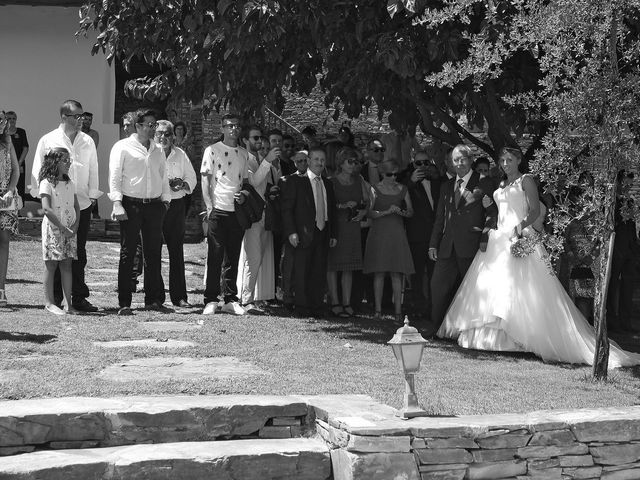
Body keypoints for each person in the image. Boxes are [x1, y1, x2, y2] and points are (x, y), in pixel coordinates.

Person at [437, 147, 640, 368]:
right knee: (495, 286)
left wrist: (519, 229)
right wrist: (489, 207)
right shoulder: (502, 184)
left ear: (518, 160)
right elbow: (500, 210)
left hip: (521, 235)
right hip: (499, 239)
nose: (505, 164)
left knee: (524, 287)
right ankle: (489, 336)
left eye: (510, 160)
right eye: (502, 160)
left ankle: (526, 336)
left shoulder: (527, 180)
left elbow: (533, 211)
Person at [31, 100, 101, 313]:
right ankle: (55, 299)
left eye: (82, 116)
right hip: (55, 205)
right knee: (54, 256)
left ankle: (78, 298)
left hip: (80, 203)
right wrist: (42, 197)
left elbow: (93, 168)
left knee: (77, 253)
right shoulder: (48, 139)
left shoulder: (87, 140)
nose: (81, 120)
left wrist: (93, 195)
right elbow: (37, 169)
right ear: (64, 117)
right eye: (76, 116)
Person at [200, 113, 273, 315]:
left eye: (236, 126)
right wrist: (208, 205)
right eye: (229, 125)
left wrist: (243, 197)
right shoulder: (212, 150)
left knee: (233, 256)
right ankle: (211, 299)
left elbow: (245, 183)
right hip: (218, 209)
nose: (233, 129)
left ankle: (231, 298)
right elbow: (205, 179)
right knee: (215, 255)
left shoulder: (243, 154)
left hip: (236, 211)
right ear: (222, 128)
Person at [428, 144, 498, 332]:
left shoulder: (485, 183)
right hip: (447, 246)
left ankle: (469, 331)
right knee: (438, 287)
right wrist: (433, 244)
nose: (459, 163)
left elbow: (492, 213)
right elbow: (440, 218)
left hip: (473, 245)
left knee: (472, 291)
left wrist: (484, 238)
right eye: (455, 160)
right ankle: (437, 330)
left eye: (463, 159)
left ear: (471, 160)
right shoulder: (446, 186)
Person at [109, 108, 171, 315]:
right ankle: (124, 301)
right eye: (150, 125)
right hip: (131, 204)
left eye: (155, 125)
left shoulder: (158, 149)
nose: (154, 129)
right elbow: (115, 176)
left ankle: (152, 299)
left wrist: (166, 200)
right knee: (128, 252)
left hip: (154, 205)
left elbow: (163, 175)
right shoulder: (123, 147)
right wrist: (117, 202)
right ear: (138, 126)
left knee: (153, 253)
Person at [281, 146, 337, 317]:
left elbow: (331, 210)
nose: (320, 163)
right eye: (316, 159)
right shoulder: (296, 181)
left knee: (319, 271)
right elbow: (287, 209)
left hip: (323, 231)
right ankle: (301, 307)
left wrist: (333, 233)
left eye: (322, 160)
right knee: (301, 271)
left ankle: (317, 306)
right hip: (303, 233)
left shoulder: (327, 183)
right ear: (309, 161)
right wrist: (291, 232)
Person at [236, 126, 281, 313]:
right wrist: (268, 161)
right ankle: (246, 299)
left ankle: (250, 297)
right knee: (253, 258)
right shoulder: (243, 159)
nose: (259, 141)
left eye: (260, 137)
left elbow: (262, 186)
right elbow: (253, 182)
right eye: (255, 138)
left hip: (263, 213)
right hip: (250, 215)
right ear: (245, 140)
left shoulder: (257, 159)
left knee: (259, 257)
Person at [363, 160, 415, 321]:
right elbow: (369, 212)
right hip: (379, 233)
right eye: (389, 174)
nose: (393, 177)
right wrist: (385, 212)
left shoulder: (403, 189)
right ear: (382, 174)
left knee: (396, 272)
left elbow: (411, 211)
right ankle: (378, 310)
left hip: (397, 233)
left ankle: (398, 311)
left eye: (395, 174)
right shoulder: (375, 189)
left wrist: (402, 212)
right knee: (379, 272)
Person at [156, 120, 197, 307]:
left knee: (176, 251)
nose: (163, 137)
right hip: (155, 205)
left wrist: (182, 183)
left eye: (167, 134)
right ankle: (155, 297)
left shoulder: (180, 154)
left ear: (173, 137)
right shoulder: (150, 153)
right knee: (153, 251)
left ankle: (179, 297)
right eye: (159, 133)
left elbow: (191, 178)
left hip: (176, 205)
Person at [327, 147, 369, 317]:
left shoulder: (360, 180)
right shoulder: (331, 181)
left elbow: (368, 201)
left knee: (349, 267)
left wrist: (363, 212)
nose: (353, 165)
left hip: (352, 227)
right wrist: (342, 206)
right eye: (350, 161)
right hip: (337, 228)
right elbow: (327, 206)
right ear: (341, 163)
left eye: (355, 162)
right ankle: (334, 301)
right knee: (332, 266)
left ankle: (346, 302)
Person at [39, 147, 80, 315]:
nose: (68, 162)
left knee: (67, 264)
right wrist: (62, 227)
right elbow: (47, 209)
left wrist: (74, 227)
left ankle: (68, 303)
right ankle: (49, 302)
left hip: (70, 229)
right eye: (64, 160)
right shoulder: (46, 183)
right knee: (51, 264)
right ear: (54, 162)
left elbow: (76, 206)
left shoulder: (70, 183)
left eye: (69, 159)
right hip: (53, 228)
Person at [403, 151, 441, 317]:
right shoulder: (407, 182)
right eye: (418, 163)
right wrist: (411, 182)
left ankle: (434, 309)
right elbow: (398, 195)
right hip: (417, 236)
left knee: (435, 276)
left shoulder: (438, 182)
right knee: (417, 275)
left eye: (426, 162)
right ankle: (418, 308)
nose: (423, 166)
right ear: (413, 164)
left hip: (435, 236)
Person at [278, 150, 308, 311]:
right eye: (299, 161)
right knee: (289, 264)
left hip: (309, 229)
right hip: (292, 229)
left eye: (305, 160)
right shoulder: (286, 181)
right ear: (294, 163)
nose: (303, 164)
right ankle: (288, 296)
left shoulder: (315, 180)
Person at [0, 112, 19, 306]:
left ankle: (1, 289)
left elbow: (16, 169)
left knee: (4, 240)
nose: (2, 123)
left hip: (5, 197)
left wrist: (10, 190)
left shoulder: (8, 141)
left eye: (3, 120)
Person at [5, 111, 28, 200]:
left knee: (19, 186)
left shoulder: (21, 132)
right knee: (6, 187)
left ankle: (18, 211)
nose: (11, 120)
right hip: (5, 166)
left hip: (19, 164)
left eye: (13, 118)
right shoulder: (2, 134)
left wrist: (19, 163)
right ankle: (5, 210)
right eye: (9, 118)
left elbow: (25, 148)